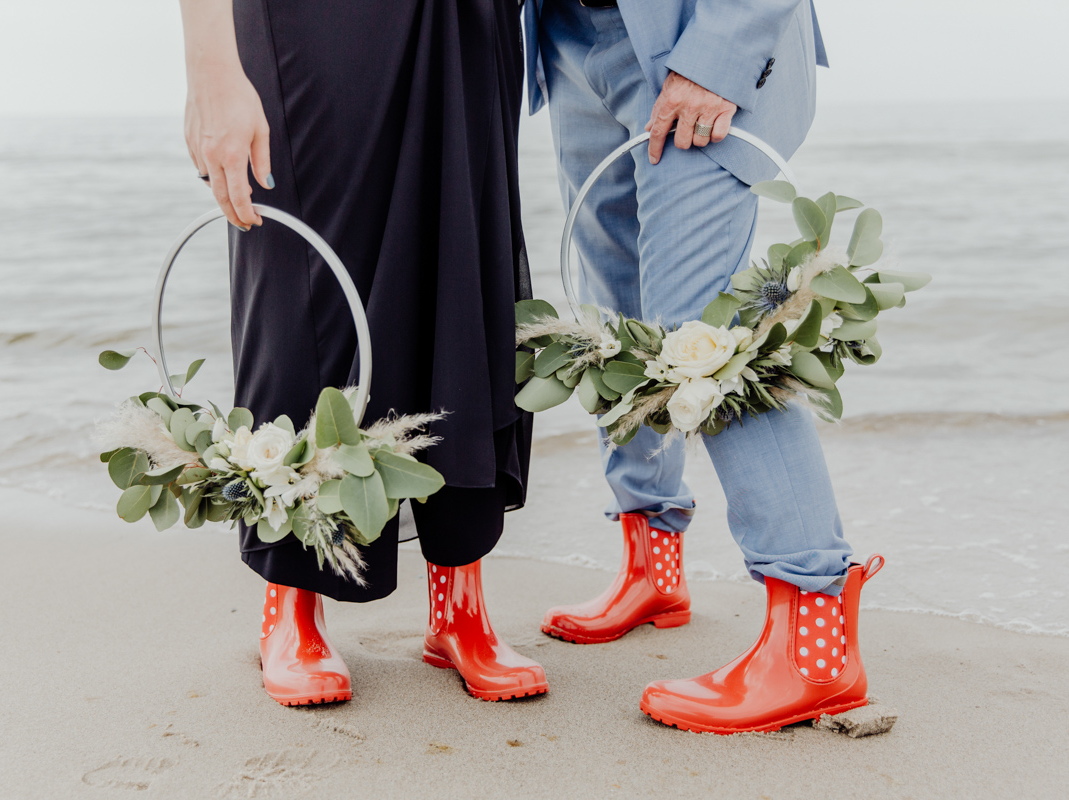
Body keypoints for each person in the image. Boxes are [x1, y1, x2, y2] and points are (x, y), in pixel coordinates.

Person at [522, 0, 883, 733]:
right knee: (613, 319)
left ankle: (816, 640)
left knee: (709, 338)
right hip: (566, 37)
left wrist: (722, 47)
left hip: (690, 35)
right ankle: (651, 567)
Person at [178, 0, 545, 705]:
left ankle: (460, 600)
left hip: (466, 22)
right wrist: (211, 68)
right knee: (300, 283)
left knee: (461, 265)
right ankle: (288, 602)